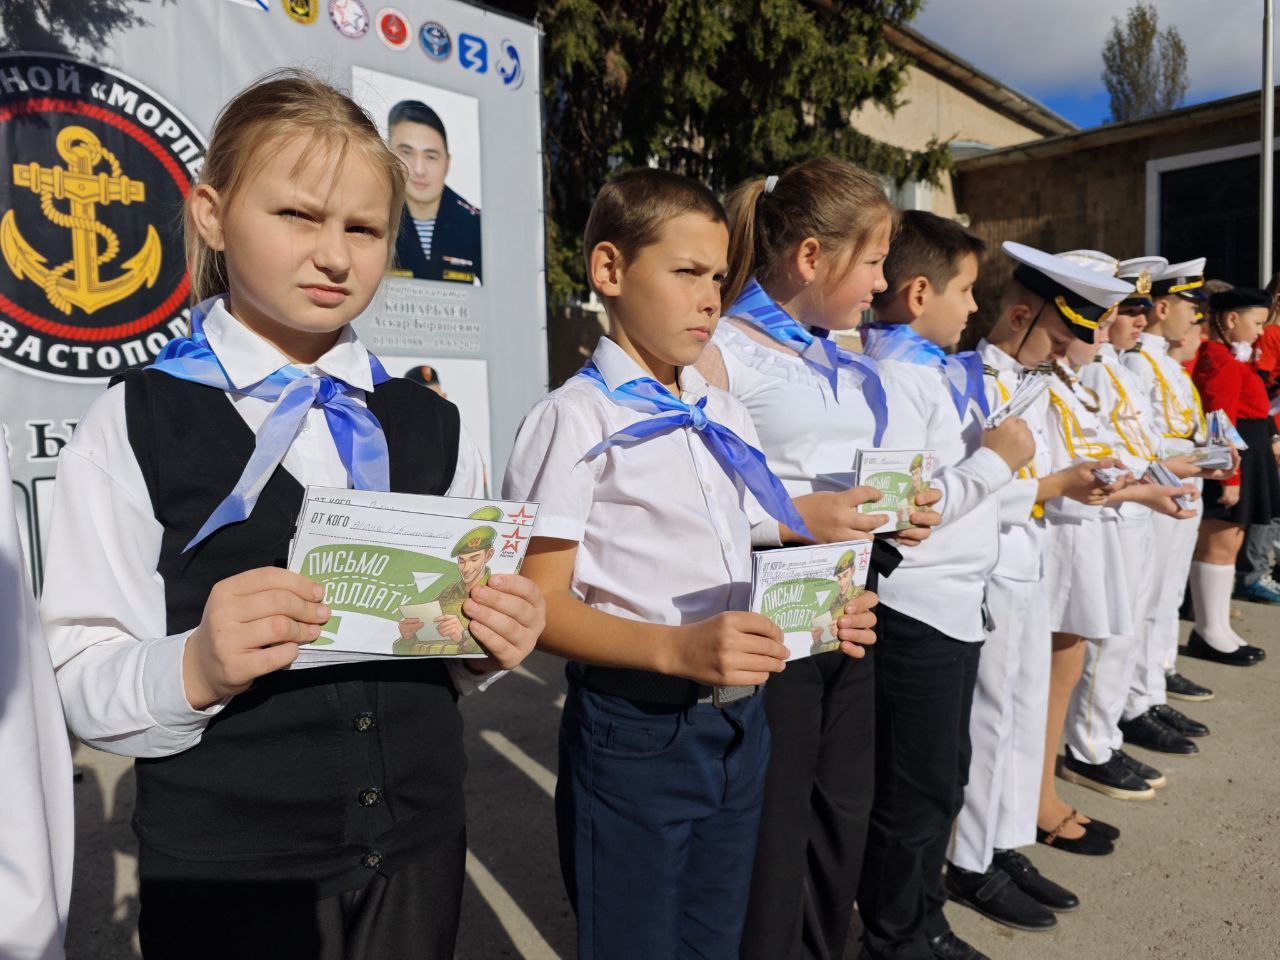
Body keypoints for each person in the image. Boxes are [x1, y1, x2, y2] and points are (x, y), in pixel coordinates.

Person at [39, 71, 545, 959]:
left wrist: (486, 643)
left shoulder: (435, 421)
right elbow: (80, 670)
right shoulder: (138, 420)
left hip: (421, 848)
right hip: (233, 871)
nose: (336, 256)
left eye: (364, 229)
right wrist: (195, 663)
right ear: (211, 214)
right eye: (298, 217)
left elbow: (445, 647)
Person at [504, 168, 809, 960]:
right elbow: (537, 604)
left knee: (715, 937)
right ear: (610, 271)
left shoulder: (722, 410)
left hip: (740, 721)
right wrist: (675, 648)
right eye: (686, 273)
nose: (711, 299)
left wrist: (817, 607)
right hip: (636, 731)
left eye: (718, 278)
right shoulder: (574, 418)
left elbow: (745, 544)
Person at [696, 157, 941, 960]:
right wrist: (800, 518)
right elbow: (687, 503)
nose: (882, 282)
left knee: (842, 816)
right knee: (775, 830)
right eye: (872, 262)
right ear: (810, 256)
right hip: (771, 616)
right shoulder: (724, 350)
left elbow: (848, 476)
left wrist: (897, 512)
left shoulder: (835, 354)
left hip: (850, 606)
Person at [860, 211, 1036, 960]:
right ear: (918, 292)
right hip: (917, 608)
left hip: (955, 604)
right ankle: (895, 936)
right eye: (964, 290)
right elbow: (904, 511)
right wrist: (998, 461)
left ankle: (923, 917)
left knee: (943, 780)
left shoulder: (930, 368)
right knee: (914, 791)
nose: (974, 307)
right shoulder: (898, 377)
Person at [945, 241, 1131, 934]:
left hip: (1027, 560)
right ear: (1020, 314)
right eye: (1058, 335)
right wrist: (1056, 485)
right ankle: (970, 859)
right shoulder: (961, 379)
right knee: (990, 717)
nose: (1063, 353)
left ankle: (1003, 839)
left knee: (1020, 712)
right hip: (982, 566)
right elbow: (968, 491)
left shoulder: (1036, 380)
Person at [1058, 252, 1203, 802]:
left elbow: (1141, 440)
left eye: (1141, 308)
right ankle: (1091, 743)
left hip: (1140, 506)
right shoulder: (1096, 367)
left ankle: (1108, 730)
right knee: (1109, 632)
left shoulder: (1117, 366)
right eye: (1125, 308)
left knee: (1134, 620)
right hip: (1112, 510)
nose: (1139, 319)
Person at [1120, 258, 1220, 736]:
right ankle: (1138, 696)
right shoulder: (1138, 362)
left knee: (1168, 591)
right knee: (1150, 592)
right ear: (1164, 306)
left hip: (1185, 478)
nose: (1197, 318)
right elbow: (1145, 441)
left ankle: (1155, 679)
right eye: (1191, 307)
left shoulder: (1166, 364)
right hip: (1163, 482)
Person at [1185, 287, 1280, 665]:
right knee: (1219, 546)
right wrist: (1229, 476)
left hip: (1247, 455)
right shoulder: (1219, 360)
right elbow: (1218, 418)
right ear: (1230, 320)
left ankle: (1219, 626)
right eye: (1256, 323)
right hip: (1234, 462)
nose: (1261, 332)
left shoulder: (1232, 358)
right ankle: (1208, 631)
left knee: (1230, 546)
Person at [386, 100, 482, 284]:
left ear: (447, 163)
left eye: (431, 156)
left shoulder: (476, 225)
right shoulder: (372, 216)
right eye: (407, 153)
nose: (419, 169)